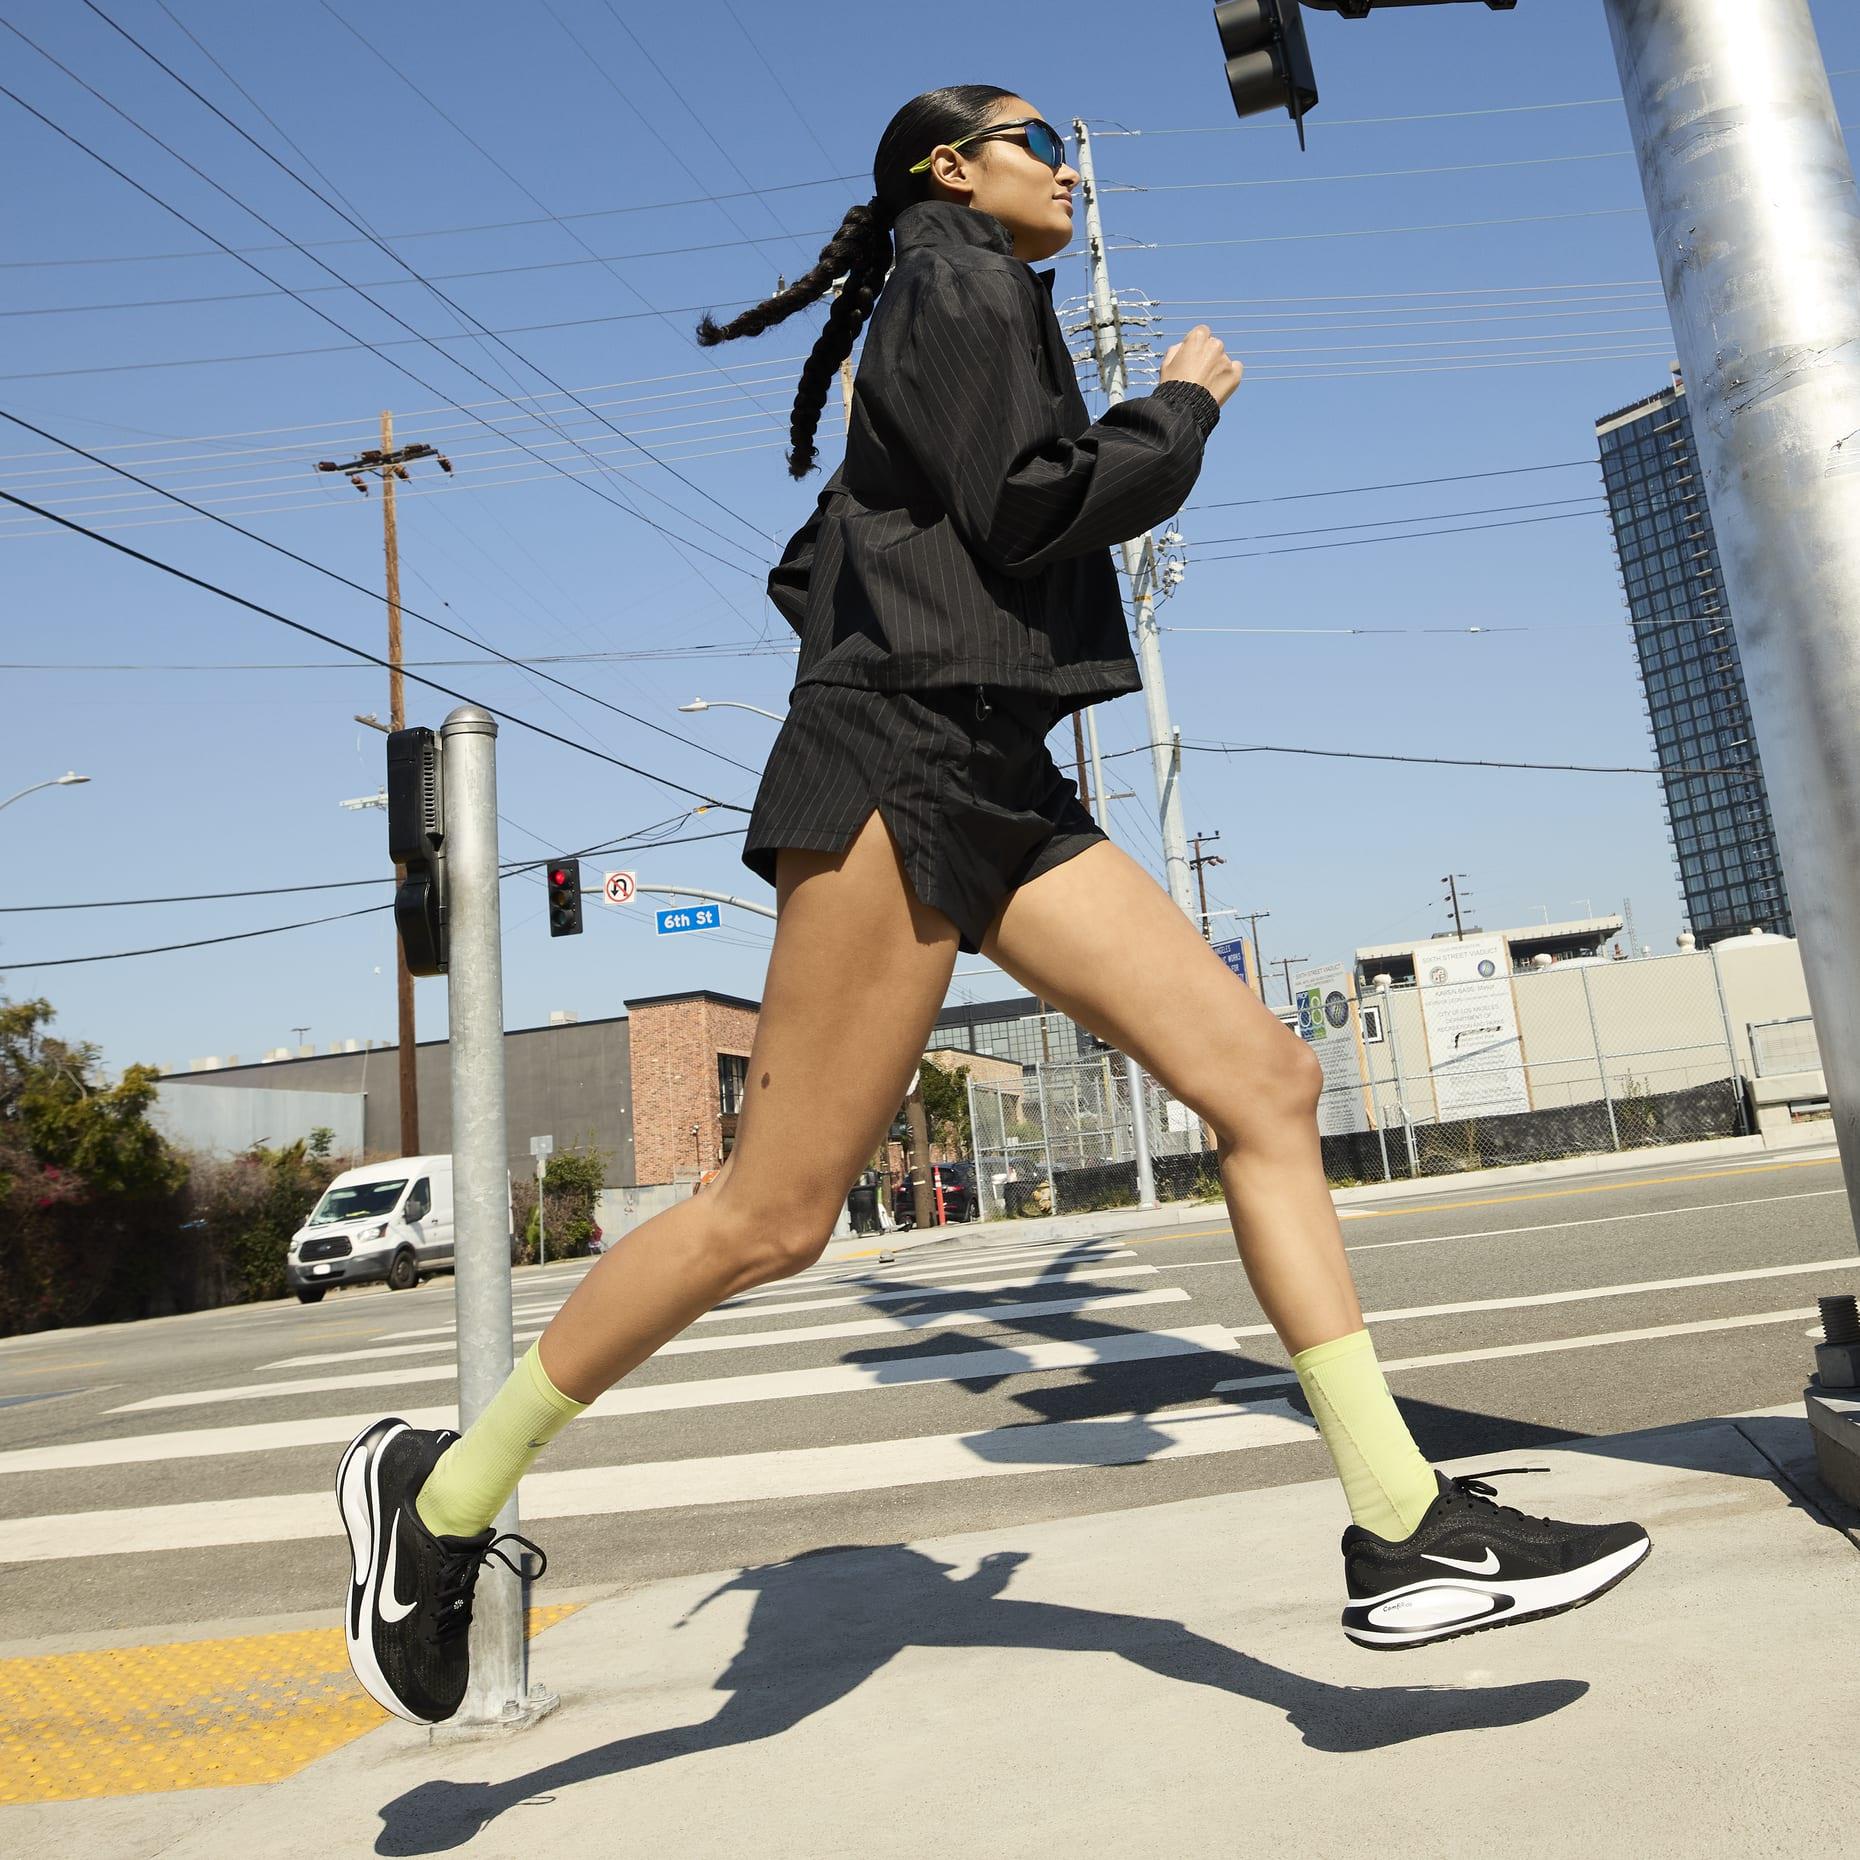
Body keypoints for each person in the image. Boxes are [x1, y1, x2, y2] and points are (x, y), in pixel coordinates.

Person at [338, 85, 1651, 1727]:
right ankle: (444, 1499)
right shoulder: (953, 278)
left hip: (995, 771)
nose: (1068, 163)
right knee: (772, 1217)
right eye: (1039, 137)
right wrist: (1178, 408)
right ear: (950, 171)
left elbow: (859, 552)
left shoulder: (970, 303)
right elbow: (1030, 499)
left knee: (1267, 1079)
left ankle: (1401, 1526)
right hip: (903, 769)